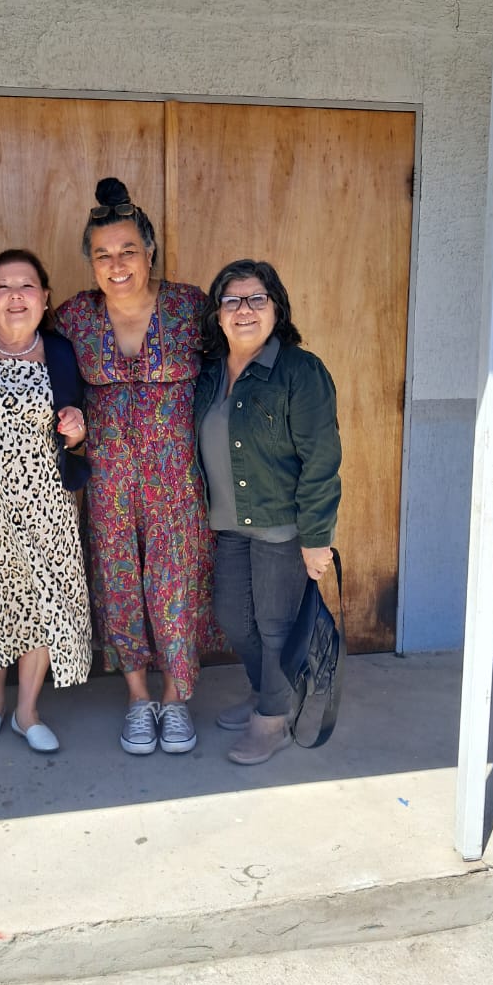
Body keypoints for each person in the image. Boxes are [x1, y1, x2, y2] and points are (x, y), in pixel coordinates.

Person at [55, 177, 219, 756]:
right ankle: (137, 697)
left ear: (149, 251)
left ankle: (175, 699)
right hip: (108, 483)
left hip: (177, 482)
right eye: (103, 254)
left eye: (128, 250)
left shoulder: (191, 308)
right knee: (118, 583)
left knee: (175, 587)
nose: (117, 264)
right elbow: (37, 370)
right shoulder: (74, 318)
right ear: (91, 262)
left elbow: (233, 369)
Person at [194, 259, 342, 765]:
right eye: (232, 300)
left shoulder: (300, 372)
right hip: (228, 523)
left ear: (276, 308)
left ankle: (273, 721)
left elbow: (321, 460)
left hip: (281, 525)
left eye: (257, 299)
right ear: (217, 314)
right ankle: (269, 694)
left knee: (276, 626)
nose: (244, 310)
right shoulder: (210, 373)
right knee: (233, 618)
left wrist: (317, 537)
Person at [0, 249, 92, 754]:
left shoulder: (59, 352)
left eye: (27, 285)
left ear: (45, 297)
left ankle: (26, 710)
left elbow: (77, 423)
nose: (16, 296)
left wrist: (76, 429)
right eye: (4, 286)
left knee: (44, 603)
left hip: (45, 504)